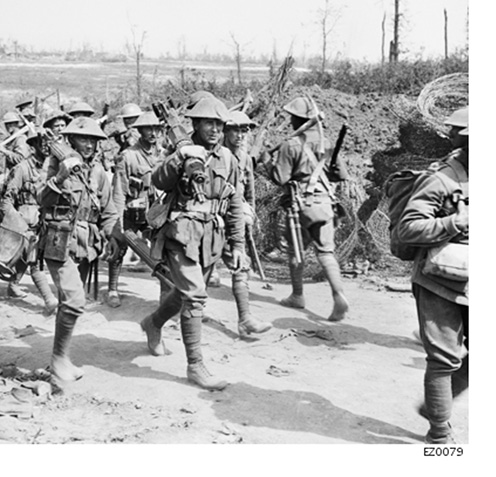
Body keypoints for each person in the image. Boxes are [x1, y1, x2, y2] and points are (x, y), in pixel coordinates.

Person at [138, 96, 244, 391]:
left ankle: (153, 323)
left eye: (219, 124)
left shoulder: (228, 159)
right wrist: (181, 156)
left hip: (211, 237)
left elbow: (234, 202)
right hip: (180, 234)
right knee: (195, 297)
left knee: (184, 294)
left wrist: (238, 245)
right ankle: (195, 365)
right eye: (208, 123)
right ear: (195, 124)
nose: (214, 129)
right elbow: (158, 181)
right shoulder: (181, 151)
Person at [398, 107, 469, 444]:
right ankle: (440, 434)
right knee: (444, 359)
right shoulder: (440, 178)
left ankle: (435, 404)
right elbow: (408, 228)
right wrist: (454, 223)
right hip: (439, 280)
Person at [39, 117, 120, 391]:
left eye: (93, 140)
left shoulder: (97, 171)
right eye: (83, 139)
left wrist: (112, 236)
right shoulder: (54, 164)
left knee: (71, 301)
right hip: (58, 239)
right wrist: (61, 175)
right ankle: (59, 359)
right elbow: (40, 199)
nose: (89, 144)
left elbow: (108, 211)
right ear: (70, 139)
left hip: (86, 244)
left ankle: (60, 358)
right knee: (74, 301)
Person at [260, 96, 350, 321]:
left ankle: (298, 295)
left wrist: (266, 161)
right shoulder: (326, 142)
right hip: (326, 204)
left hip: (302, 205)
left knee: (295, 251)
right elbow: (340, 175)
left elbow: (280, 178)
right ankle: (338, 294)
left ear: (295, 119)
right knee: (326, 253)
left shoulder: (290, 145)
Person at [222, 110, 272, 337]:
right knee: (202, 266)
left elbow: (249, 189)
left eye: (244, 131)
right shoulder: (216, 155)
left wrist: (249, 211)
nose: (240, 135)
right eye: (235, 130)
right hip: (213, 218)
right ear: (225, 131)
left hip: (235, 217)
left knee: (240, 263)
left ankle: (245, 319)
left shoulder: (245, 158)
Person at [107, 111, 165, 308]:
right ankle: (113, 289)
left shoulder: (163, 155)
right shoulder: (128, 156)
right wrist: (118, 223)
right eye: (148, 129)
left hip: (157, 212)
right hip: (133, 210)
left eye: (156, 128)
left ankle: (167, 294)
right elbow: (119, 191)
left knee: (165, 250)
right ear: (140, 131)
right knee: (119, 246)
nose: (153, 133)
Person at [0, 128, 59, 312]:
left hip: (47, 221)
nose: (46, 147)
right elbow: (7, 199)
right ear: (33, 147)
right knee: (35, 261)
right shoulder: (22, 168)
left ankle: (13, 284)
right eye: (41, 144)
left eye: (49, 144)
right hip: (27, 222)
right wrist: (16, 223)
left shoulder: (53, 168)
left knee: (29, 257)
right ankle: (49, 300)